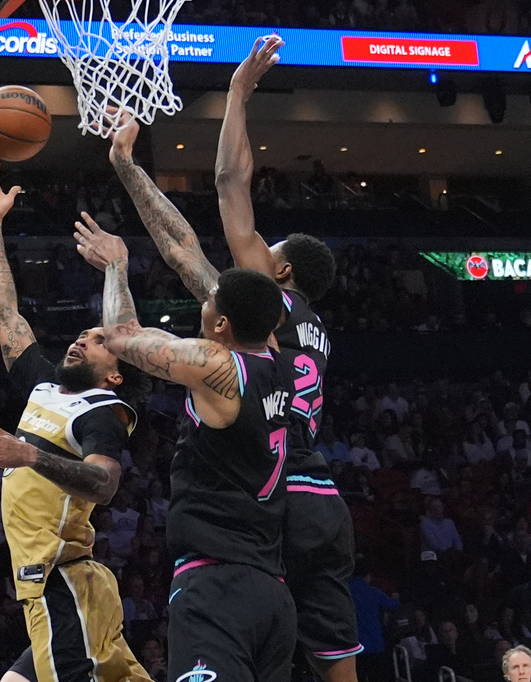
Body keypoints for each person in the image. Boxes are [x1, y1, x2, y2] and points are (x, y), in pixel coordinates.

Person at [104, 36, 358, 682]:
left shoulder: (265, 305)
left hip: (272, 498)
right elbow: (184, 253)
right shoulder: (301, 330)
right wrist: (130, 172)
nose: (251, 248)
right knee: (334, 662)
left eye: (263, 250)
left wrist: (238, 93)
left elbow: (227, 184)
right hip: (324, 496)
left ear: (282, 272)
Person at [0, 154, 150, 682]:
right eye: (83, 333)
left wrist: (28, 454)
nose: (83, 337)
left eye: (99, 340)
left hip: (65, 581)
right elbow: (3, 314)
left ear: (117, 375)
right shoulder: (43, 383)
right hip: (55, 587)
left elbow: (105, 485)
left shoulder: (104, 410)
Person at [73, 215, 296, 681]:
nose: (205, 298)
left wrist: (116, 265)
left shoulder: (216, 365)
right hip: (270, 590)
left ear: (221, 323)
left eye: (211, 301)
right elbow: (192, 259)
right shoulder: (275, 357)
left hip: (218, 586)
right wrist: (126, 164)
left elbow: (120, 336)